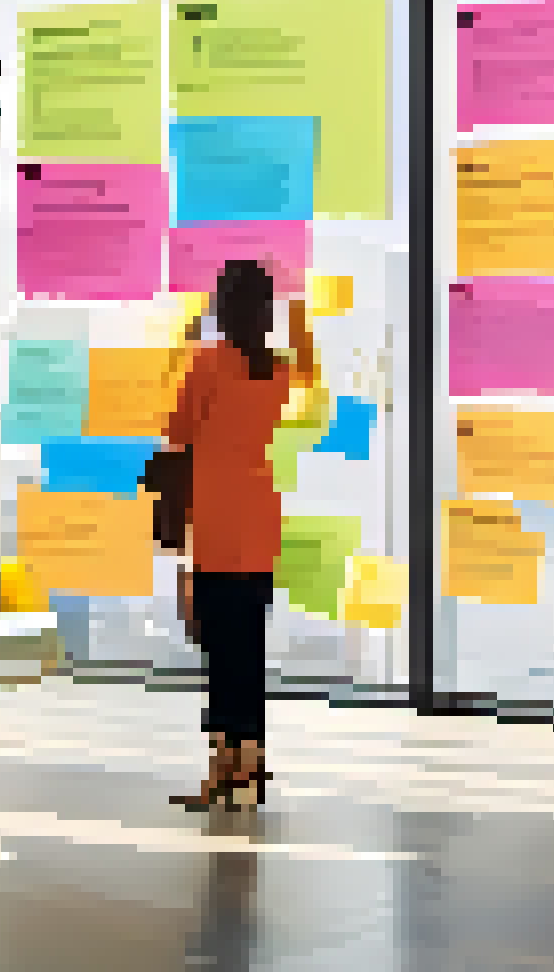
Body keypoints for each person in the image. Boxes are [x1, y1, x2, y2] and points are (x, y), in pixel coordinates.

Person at [161, 259, 316, 810]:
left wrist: (184, 339)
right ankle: (249, 766)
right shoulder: (275, 372)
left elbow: (175, 434)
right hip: (260, 522)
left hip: (218, 525)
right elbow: (310, 369)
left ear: (222, 308)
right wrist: (298, 310)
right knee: (247, 648)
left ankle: (223, 768)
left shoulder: (207, 363)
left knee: (219, 650)